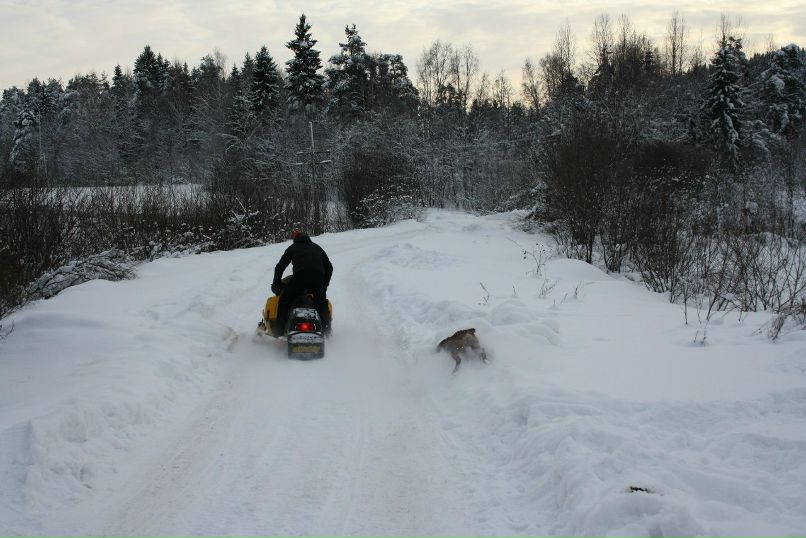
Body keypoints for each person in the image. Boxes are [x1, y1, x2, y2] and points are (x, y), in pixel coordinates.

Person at [272, 229, 333, 335]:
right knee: (322, 304)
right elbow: (329, 267)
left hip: (300, 277)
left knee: (284, 301)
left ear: (294, 239)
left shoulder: (293, 248)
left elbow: (280, 267)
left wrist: (277, 283)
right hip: (317, 278)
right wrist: (324, 284)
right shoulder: (317, 247)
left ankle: (279, 332)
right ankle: (327, 333)